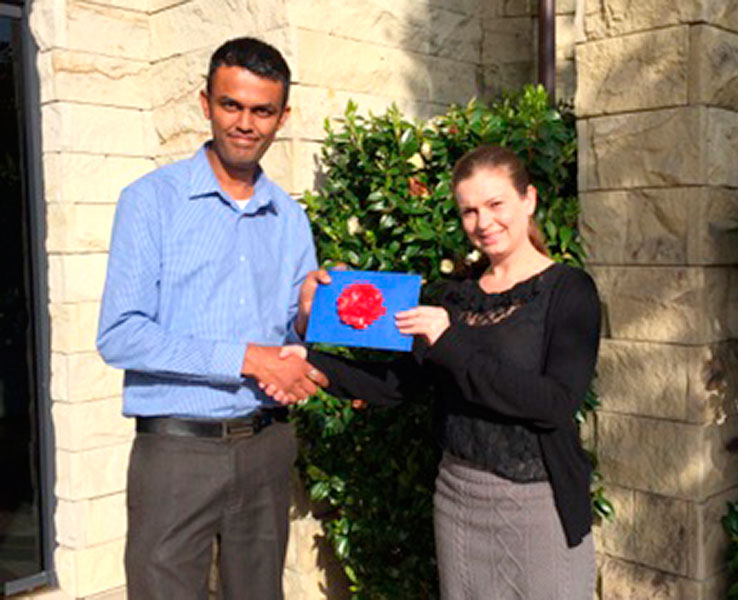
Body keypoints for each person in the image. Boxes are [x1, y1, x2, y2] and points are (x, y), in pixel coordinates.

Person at [287, 145, 600, 599]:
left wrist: (449, 343)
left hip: (540, 503)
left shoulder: (569, 291)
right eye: (469, 211)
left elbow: (554, 404)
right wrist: (308, 350)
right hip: (458, 500)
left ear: (528, 199)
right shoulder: (454, 297)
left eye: (496, 204)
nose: (484, 222)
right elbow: (393, 386)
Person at [96, 37, 328, 600]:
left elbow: (288, 338)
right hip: (176, 454)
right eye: (231, 105)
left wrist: (307, 318)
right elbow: (120, 335)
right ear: (206, 103)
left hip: (267, 447)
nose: (245, 123)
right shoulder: (151, 201)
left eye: (262, 110)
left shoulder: (290, 218)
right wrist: (245, 358)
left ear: (282, 117)